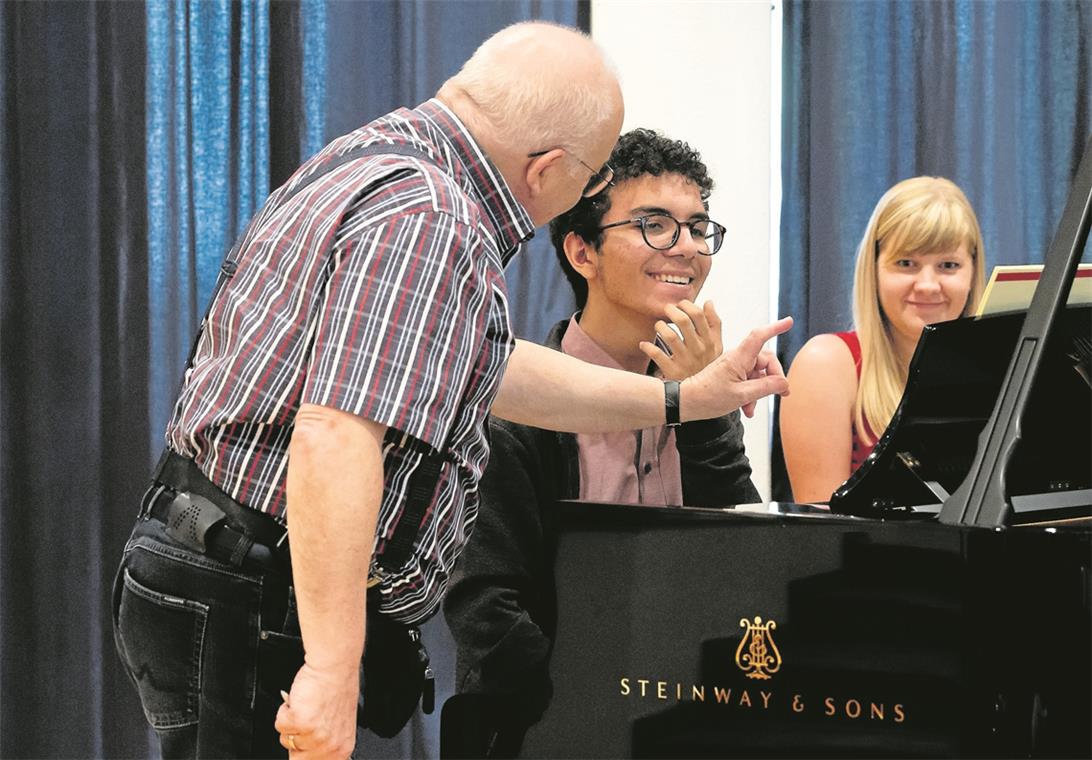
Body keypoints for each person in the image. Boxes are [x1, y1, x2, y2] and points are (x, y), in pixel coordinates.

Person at [112, 21, 791, 760]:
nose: (585, 191)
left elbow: (489, 369)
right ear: (547, 168)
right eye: (591, 176)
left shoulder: (387, 155)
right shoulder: (433, 218)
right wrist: (332, 670)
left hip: (219, 564)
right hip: (251, 588)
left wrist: (684, 401)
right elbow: (334, 433)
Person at [442, 128, 761, 757]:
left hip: (690, 724)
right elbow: (484, 608)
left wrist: (700, 405)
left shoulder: (704, 387)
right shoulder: (519, 405)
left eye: (698, 228)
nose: (685, 248)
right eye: (653, 224)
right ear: (582, 252)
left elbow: (741, 564)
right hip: (549, 729)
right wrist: (600, 709)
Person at [780, 176, 985, 503]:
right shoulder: (826, 364)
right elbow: (821, 537)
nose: (928, 285)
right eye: (907, 263)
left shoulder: (998, 367)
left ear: (973, 272)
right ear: (873, 269)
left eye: (948, 265)